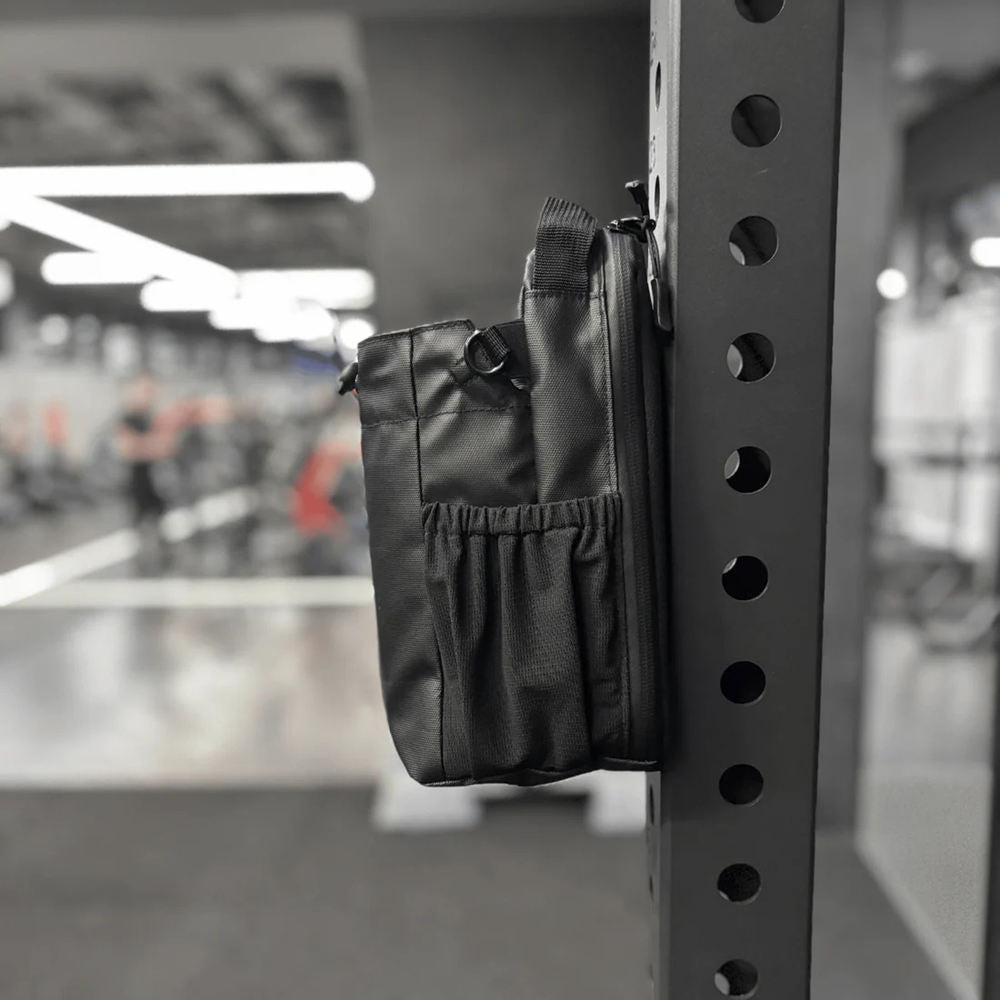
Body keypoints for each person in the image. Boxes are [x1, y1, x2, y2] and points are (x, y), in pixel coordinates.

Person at [115, 373, 177, 564]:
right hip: (138, 481)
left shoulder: (155, 418)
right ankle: (139, 562)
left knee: (161, 525)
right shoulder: (129, 418)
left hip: (157, 481)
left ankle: (164, 561)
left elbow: (167, 447)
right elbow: (128, 450)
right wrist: (150, 446)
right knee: (138, 526)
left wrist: (144, 445)